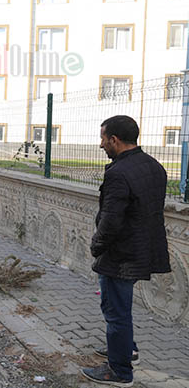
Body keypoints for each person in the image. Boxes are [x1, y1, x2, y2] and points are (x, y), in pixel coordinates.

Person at [80, 115, 171, 388]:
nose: (101, 145)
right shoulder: (155, 167)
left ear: (115, 140)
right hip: (143, 248)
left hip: (120, 254)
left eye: (103, 139)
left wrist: (97, 245)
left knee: (115, 311)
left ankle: (119, 371)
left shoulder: (118, 172)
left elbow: (111, 218)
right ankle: (126, 349)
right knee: (121, 307)